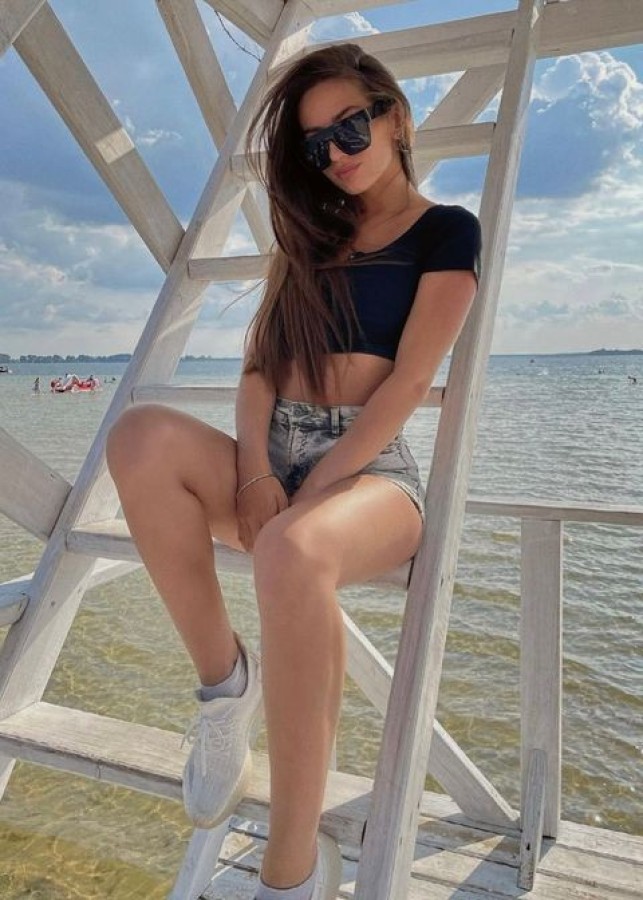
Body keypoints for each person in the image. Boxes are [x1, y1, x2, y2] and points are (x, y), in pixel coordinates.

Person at [106, 43, 480, 900]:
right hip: (272, 451)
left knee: (291, 549)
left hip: (371, 470)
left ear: (394, 117)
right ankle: (223, 687)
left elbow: (409, 383)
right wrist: (254, 474)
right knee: (139, 437)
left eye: (349, 128)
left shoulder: (445, 231)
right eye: (315, 145)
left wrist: (314, 488)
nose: (335, 154)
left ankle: (291, 870)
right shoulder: (310, 238)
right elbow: (257, 373)